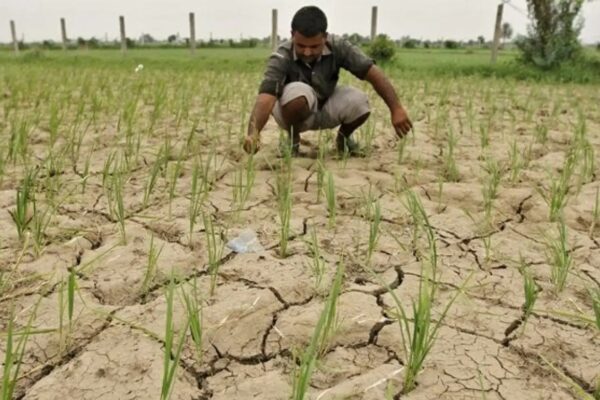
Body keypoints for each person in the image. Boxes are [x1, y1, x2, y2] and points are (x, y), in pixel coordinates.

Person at [243, 5, 412, 156]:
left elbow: (373, 73)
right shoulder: (281, 55)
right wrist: (253, 133)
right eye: (301, 46)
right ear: (292, 35)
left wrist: (396, 108)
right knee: (298, 93)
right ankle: (293, 140)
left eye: (314, 46)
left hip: (325, 105)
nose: (307, 52)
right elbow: (266, 98)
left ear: (325, 37)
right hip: (292, 110)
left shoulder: (339, 46)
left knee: (360, 102)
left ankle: (343, 140)